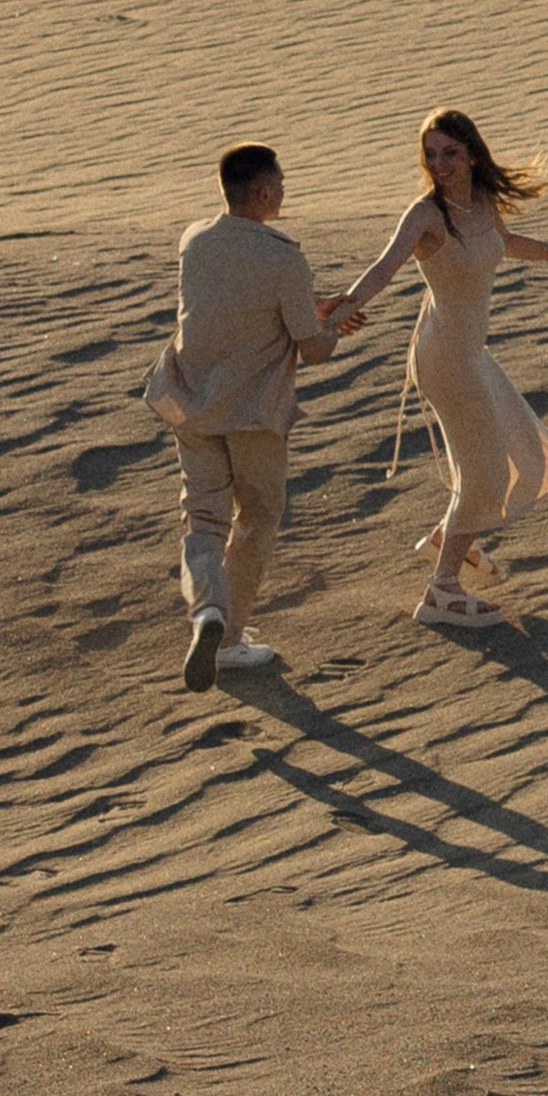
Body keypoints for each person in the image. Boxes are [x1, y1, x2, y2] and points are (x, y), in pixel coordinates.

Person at [334, 107, 548, 632]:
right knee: (484, 471)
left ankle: (447, 538)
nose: (439, 164)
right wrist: (343, 305)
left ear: (472, 154)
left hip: (471, 355)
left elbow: (506, 245)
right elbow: (384, 267)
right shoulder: (425, 215)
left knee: (524, 452)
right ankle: (441, 589)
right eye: (431, 155)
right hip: (443, 358)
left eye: (450, 153)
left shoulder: (481, 203)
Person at [146, 142, 354, 691]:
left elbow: (236, 305)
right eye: (280, 183)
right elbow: (310, 349)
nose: (284, 190)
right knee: (259, 515)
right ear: (263, 192)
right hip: (253, 412)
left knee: (204, 519)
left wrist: (307, 308)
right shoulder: (284, 258)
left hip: (191, 403)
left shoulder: (195, 240)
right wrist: (330, 325)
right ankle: (232, 637)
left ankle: (207, 612)